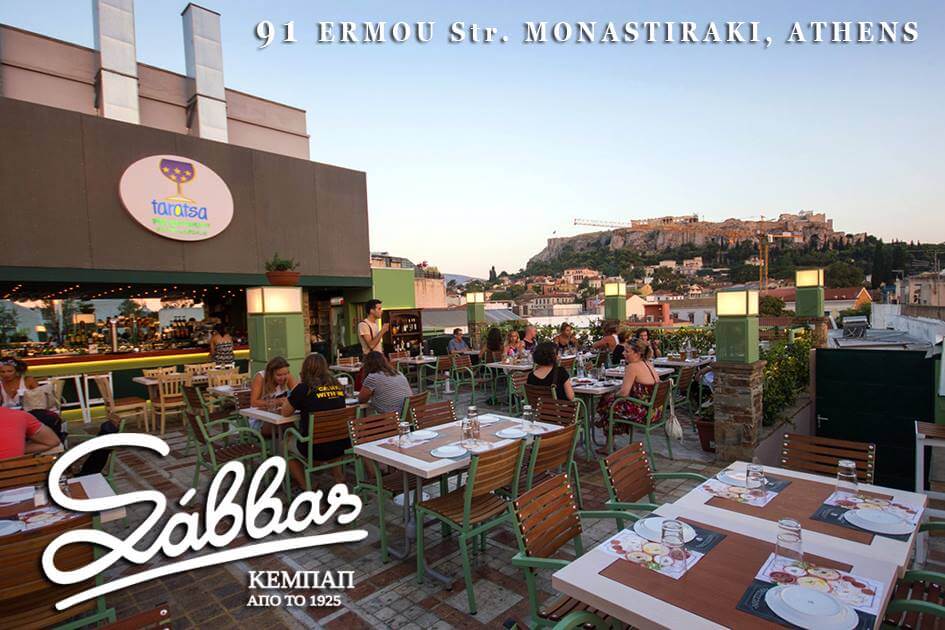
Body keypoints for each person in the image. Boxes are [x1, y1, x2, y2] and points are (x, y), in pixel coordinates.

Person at [281, 353, 349, 489]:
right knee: (330, 435)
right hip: (341, 445)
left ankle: (307, 487)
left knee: (286, 444)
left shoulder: (303, 388)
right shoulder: (338, 386)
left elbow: (285, 412)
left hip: (315, 449)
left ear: (305, 369)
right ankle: (338, 478)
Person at [596, 338, 662, 440]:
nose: (623, 353)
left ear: (637, 353)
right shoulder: (648, 364)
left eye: (627, 351)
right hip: (655, 411)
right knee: (610, 402)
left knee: (608, 403)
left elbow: (624, 393)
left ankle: (607, 435)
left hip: (643, 413)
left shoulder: (632, 367)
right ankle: (604, 423)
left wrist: (613, 395)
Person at [250, 356, 297, 436]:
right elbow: (254, 402)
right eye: (279, 375)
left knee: (295, 425)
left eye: (285, 374)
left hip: (281, 418)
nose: (283, 378)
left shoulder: (287, 376)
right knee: (289, 428)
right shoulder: (261, 377)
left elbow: (298, 393)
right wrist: (277, 401)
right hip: (260, 421)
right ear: (270, 374)